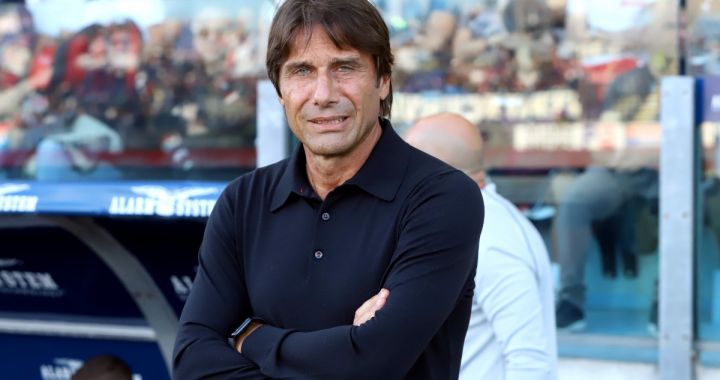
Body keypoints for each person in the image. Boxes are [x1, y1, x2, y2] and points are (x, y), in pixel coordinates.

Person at [172, 0, 484, 379]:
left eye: (344, 67)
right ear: (280, 89)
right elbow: (192, 361)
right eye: (301, 71)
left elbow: (372, 364)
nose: (323, 94)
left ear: (383, 79)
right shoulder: (243, 201)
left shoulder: (443, 200)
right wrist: (348, 347)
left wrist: (250, 336)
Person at [405, 112, 557, 380]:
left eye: (408, 165)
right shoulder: (469, 220)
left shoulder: (491, 236)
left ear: (435, 170)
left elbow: (531, 363)